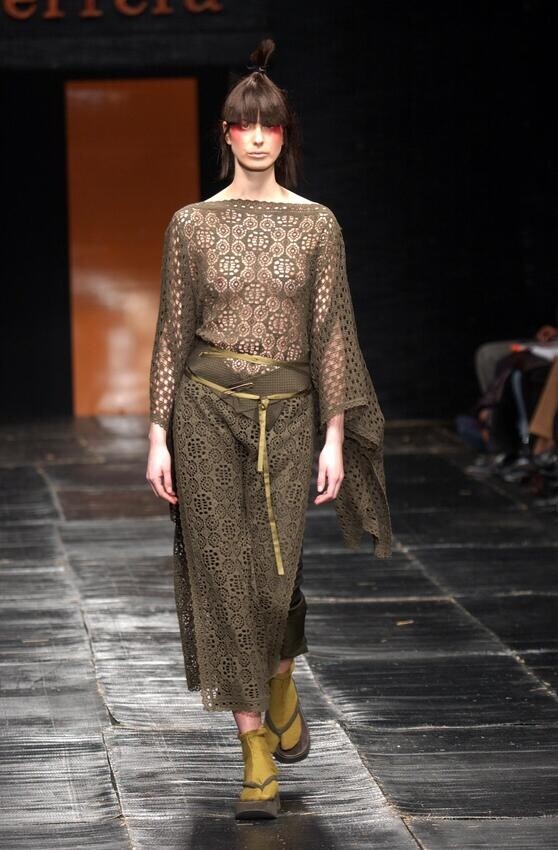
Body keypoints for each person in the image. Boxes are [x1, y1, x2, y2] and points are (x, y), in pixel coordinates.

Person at [146, 37, 392, 820]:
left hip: (288, 416)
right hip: (203, 409)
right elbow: (172, 333)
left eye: (270, 125)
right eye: (243, 125)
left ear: (286, 134)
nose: (257, 137)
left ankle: (281, 680)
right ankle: (255, 757)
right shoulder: (190, 225)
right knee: (222, 576)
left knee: (274, 576)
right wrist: (157, 434)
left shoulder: (318, 225)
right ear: (226, 134)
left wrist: (335, 436)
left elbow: (333, 334)